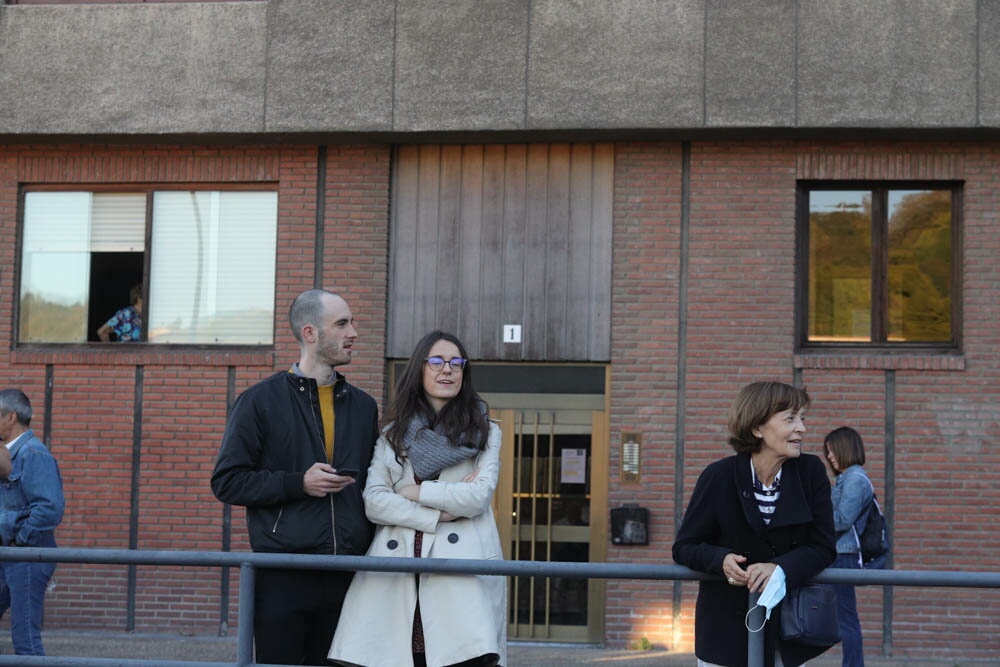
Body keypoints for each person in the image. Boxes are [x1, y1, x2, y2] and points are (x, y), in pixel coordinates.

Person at [211, 289, 379, 666]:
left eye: (353, 322)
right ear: (309, 332)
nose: (353, 332)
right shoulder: (259, 401)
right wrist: (298, 483)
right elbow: (227, 481)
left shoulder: (364, 406)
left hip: (349, 575)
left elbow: (374, 485)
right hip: (283, 575)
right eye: (342, 323)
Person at [329, 330, 506, 667]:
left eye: (457, 363)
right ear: (420, 369)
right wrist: (438, 514)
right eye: (437, 361)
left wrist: (415, 492)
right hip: (398, 568)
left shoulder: (486, 430)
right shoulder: (392, 432)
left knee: (457, 655)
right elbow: (375, 501)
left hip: (460, 572)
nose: (447, 370)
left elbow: (477, 497)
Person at [672, 381, 836, 667]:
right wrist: (720, 559)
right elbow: (685, 547)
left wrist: (781, 568)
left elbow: (823, 546)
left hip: (788, 635)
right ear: (757, 427)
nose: (802, 428)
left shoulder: (811, 473)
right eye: (790, 419)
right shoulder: (718, 476)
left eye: (802, 419)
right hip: (724, 634)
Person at [0, 388, 66, 656]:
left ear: (10, 417)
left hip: (27, 555)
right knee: (24, 637)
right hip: (10, 553)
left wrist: (20, 538)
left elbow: (50, 508)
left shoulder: (32, 454)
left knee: (25, 639)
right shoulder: (9, 454)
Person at [822, 426, 880, 667]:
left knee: (846, 618)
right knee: (844, 617)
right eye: (828, 453)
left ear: (847, 449)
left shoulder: (855, 479)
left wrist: (816, 521)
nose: (830, 457)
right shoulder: (847, 478)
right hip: (840, 554)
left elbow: (843, 519)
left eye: (833, 451)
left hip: (844, 555)